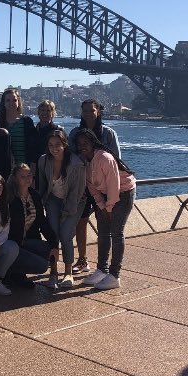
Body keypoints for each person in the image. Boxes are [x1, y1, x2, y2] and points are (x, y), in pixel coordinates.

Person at [75, 129, 137, 290]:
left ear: (93, 143)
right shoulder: (85, 161)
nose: (82, 147)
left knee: (116, 232)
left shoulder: (104, 158)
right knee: (102, 232)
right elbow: (91, 187)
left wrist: (109, 208)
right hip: (105, 194)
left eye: (86, 143)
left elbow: (113, 186)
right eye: (79, 144)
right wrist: (101, 206)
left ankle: (114, 275)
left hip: (123, 192)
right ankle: (102, 270)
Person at [68, 99, 122, 275]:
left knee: (104, 226)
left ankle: (103, 265)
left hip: (103, 187)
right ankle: (83, 260)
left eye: (92, 111)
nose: (88, 114)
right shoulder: (75, 133)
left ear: (98, 111)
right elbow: (70, 157)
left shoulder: (109, 133)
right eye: (85, 111)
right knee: (81, 222)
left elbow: (117, 162)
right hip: (82, 185)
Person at [35, 130, 87, 289]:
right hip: (53, 199)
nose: (54, 148)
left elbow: (76, 193)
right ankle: (53, 272)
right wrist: (42, 203)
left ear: (65, 144)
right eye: (50, 145)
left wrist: (66, 213)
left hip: (75, 201)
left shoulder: (76, 164)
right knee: (53, 235)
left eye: (58, 144)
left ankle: (68, 273)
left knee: (65, 235)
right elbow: (43, 185)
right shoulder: (44, 161)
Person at [5, 163, 57, 289]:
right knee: (42, 266)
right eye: (22, 176)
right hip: (12, 244)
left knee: (46, 249)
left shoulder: (34, 196)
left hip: (27, 241)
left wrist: (54, 244)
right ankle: (7, 273)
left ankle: (18, 275)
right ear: (15, 179)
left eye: (29, 175)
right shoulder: (9, 198)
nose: (27, 178)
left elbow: (42, 221)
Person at [0, 88, 39, 167]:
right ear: (3, 103)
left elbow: (34, 145)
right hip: (3, 167)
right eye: (8, 100)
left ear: (18, 102)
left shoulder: (27, 122)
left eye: (14, 100)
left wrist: (33, 163)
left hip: (24, 168)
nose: (11, 103)